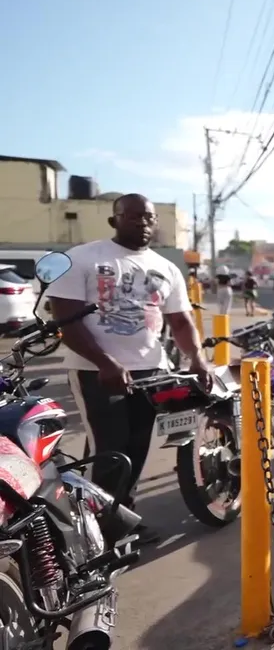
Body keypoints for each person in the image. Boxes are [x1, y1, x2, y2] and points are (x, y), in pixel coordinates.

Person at [45, 194, 212, 545]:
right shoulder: (83, 257)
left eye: (148, 217)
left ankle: (123, 521)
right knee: (108, 451)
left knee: (135, 449)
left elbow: (181, 322)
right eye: (133, 216)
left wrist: (197, 358)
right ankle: (95, 533)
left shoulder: (167, 268)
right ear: (114, 220)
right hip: (96, 371)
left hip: (150, 371)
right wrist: (105, 362)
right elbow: (65, 319)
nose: (142, 223)